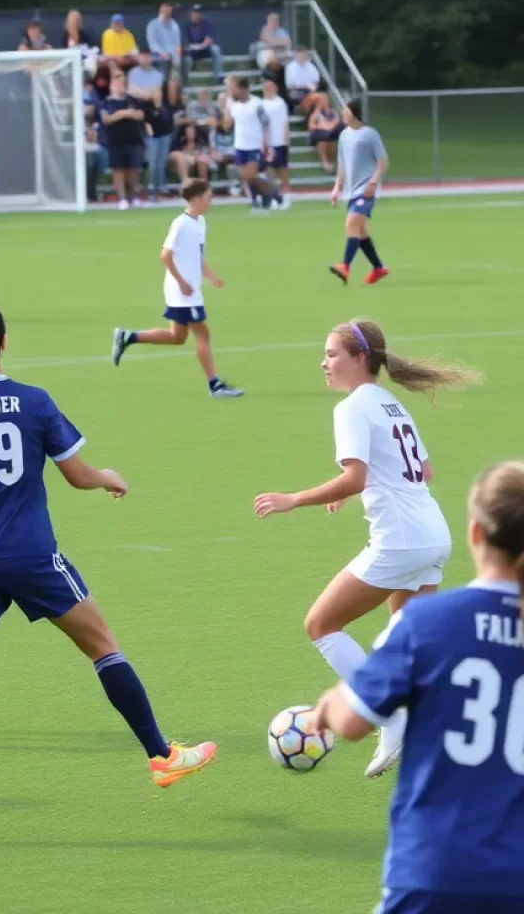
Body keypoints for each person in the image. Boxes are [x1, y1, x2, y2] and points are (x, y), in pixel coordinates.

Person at [0, 301, 216, 843]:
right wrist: (108, 477)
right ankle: (162, 755)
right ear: (4, 344)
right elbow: (78, 475)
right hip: (32, 557)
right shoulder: (33, 402)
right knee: (103, 645)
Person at [254, 320, 478, 776]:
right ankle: (429, 721)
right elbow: (423, 472)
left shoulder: (354, 407)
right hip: (434, 536)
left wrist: (294, 499)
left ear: (359, 359)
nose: (324, 362)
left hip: (400, 542)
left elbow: (357, 474)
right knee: (402, 639)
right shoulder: (391, 403)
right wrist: (353, 488)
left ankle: (387, 712)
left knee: (321, 624)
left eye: (332, 354)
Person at [308, 460, 524, 914]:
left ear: (475, 535)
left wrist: (326, 707)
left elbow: (350, 722)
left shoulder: (428, 622)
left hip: (433, 871)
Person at [111, 180, 244, 398]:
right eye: (208, 197)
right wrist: (181, 282)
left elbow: (197, 258)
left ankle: (128, 337)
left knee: (177, 337)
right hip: (183, 292)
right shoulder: (181, 223)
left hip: (191, 290)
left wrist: (211, 277)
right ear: (196, 198)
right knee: (203, 334)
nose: (211, 201)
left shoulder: (200, 223)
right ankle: (215, 385)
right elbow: (165, 255)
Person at [329, 99, 390, 286]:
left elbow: (383, 161)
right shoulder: (343, 136)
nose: (342, 115)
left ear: (354, 113)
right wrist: (337, 186)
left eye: (345, 112)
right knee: (361, 232)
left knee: (351, 225)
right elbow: (342, 164)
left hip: (366, 191)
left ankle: (345, 266)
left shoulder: (370, 134)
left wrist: (373, 182)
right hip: (352, 191)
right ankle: (378, 268)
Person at [223, 78, 283, 210]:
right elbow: (227, 126)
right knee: (247, 178)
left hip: (254, 146)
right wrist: (227, 106)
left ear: (243, 89)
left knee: (251, 175)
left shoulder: (256, 104)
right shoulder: (234, 105)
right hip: (240, 146)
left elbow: (266, 122)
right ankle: (263, 197)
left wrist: (266, 141)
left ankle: (271, 193)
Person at [100, 69, 146, 209]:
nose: (121, 84)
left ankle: (134, 197)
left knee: (133, 169)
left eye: (122, 81)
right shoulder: (107, 102)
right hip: (115, 141)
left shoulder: (133, 100)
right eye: (118, 81)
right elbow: (107, 119)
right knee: (118, 170)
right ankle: (122, 198)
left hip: (133, 139)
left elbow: (140, 115)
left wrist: (124, 114)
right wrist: (124, 113)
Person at [145, 1, 182, 106]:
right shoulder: (152, 25)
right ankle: (163, 94)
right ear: (161, 9)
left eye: (169, 9)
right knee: (164, 63)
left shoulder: (174, 25)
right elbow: (153, 45)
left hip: (172, 55)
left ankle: (178, 95)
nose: (167, 11)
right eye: (165, 8)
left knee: (183, 62)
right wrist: (163, 53)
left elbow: (177, 44)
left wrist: (177, 55)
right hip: (158, 55)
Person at [260, 79, 291, 204]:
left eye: (271, 87)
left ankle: (287, 194)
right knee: (269, 170)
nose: (269, 89)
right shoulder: (261, 104)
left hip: (279, 141)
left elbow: (285, 122)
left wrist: (286, 138)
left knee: (282, 169)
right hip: (267, 142)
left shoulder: (280, 103)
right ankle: (274, 195)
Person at [182, 5, 224, 84]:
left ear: (201, 14)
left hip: (204, 49)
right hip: (192, 52)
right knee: (186, 59)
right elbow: (185, 43)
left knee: (216, 49)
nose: (195, 15)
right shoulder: (186, 26)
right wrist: (193, 47)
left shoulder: (206, 24)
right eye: (193, 13)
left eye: (197, 13)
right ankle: (185, 83)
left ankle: (219, 77)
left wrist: (201, 46)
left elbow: (209, 39)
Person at [308, 102, 343, 172]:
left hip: (331, 135)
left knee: (330, 138)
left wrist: (327, 126)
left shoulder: (335, 113)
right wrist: (322, 127)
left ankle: (332, 160)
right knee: (322, 139)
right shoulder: (316, 114)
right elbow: (311, 127)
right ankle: (325, 161)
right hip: (318, 135)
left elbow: (336, 124)